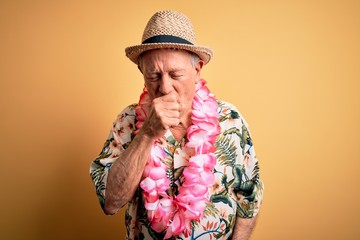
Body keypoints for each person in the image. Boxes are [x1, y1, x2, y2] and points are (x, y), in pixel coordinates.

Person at [90, 10, 264, 240]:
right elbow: (111, 202)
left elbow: (249, 198)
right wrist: (146, 134)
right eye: (153, 75)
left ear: (197, 69)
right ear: (141, 72)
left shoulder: (230, 119)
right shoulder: (128, 121)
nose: (164, 87)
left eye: (175, 74)